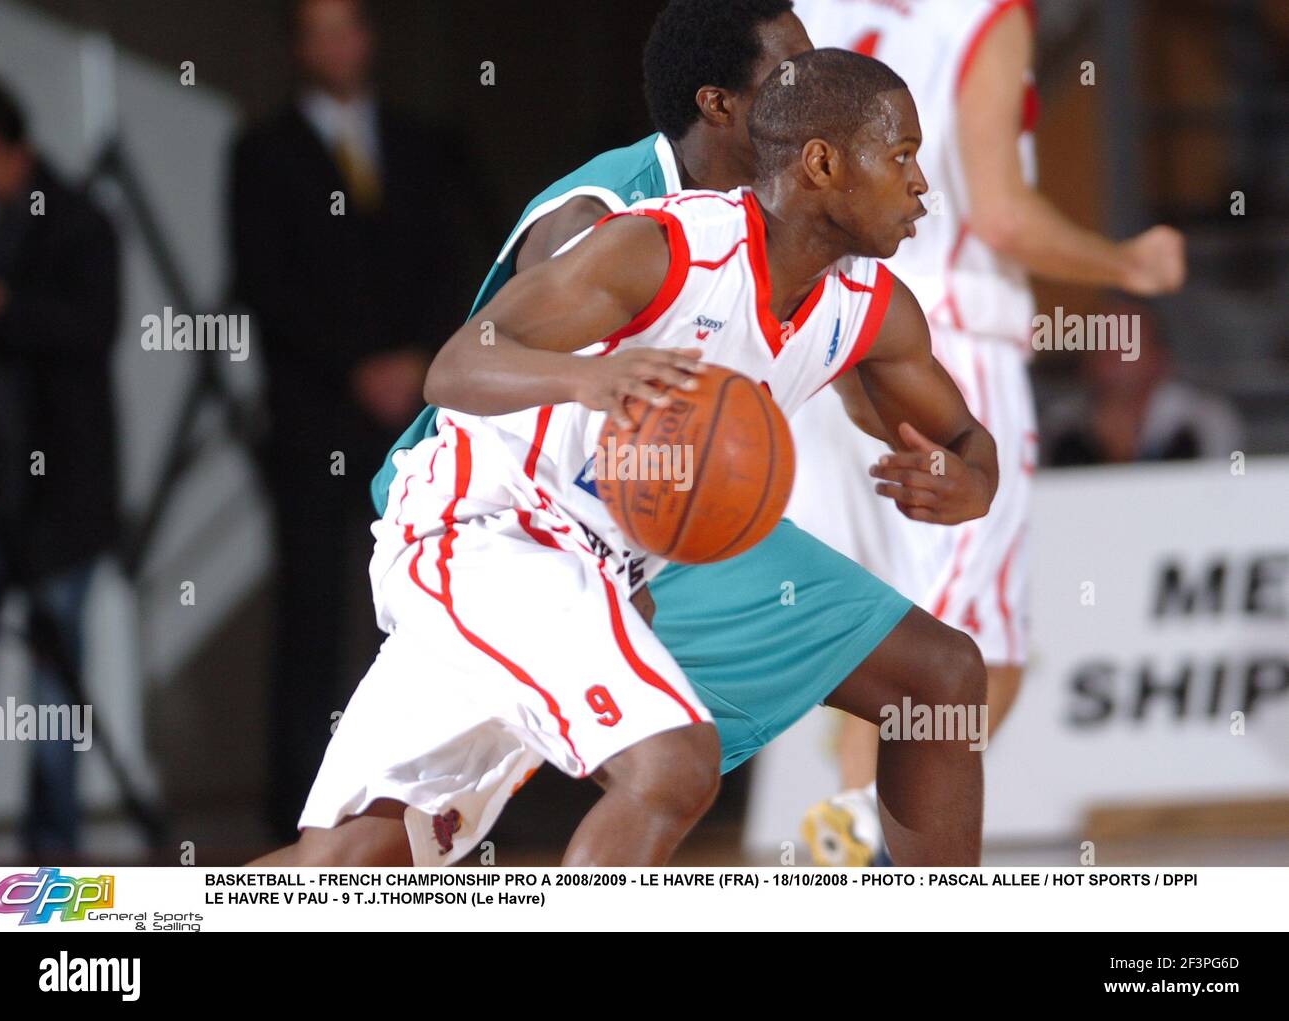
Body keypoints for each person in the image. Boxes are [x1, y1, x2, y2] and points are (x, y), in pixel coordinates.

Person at [256, 45, 999, 868]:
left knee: (357, 861)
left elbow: (964, 439)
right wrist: (589, 377)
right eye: (901, 157)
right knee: (673, 765)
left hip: (593, 568)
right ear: (823, 163)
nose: (922, 183)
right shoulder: (668, 248)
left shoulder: (867, 308)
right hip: (484, 532)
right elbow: (456, 366)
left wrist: (971, 478)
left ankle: (98, 911)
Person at [790, 0, 1187, 864]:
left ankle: (853, 823)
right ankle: (864, 833)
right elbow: (1000, 215)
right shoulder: (983, 14)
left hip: (824, 334)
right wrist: (1126, 263)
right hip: (946, 340)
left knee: (887, 624)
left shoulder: (810, 12)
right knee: (982, 642)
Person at [228, 0, 462, 836]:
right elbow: (267, 283)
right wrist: (356, 366)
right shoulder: (262, 151)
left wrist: (419, 359)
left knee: (422, 611)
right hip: (314, 418)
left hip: (416, 418)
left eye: (348, 24)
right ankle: (299, 819)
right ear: (297, 47)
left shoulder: (421, 140)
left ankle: (413, 810)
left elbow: (456, 257)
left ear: (369, 36)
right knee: (312, 617)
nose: (337, 44)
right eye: (318, 29)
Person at [0, 78, 120, 855]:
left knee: (53, 690)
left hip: (60, 496)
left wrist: (5, 306)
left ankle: (55, 858)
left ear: (18, 152)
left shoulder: (76, 224)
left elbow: (93, 329)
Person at [1044, 298, 1242, 466]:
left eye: (1126, 343)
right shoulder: (1062, 427)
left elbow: (1222, 496)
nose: (1110, 352)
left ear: (1159, 360)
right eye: (1101, 341)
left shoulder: (1203, 422)